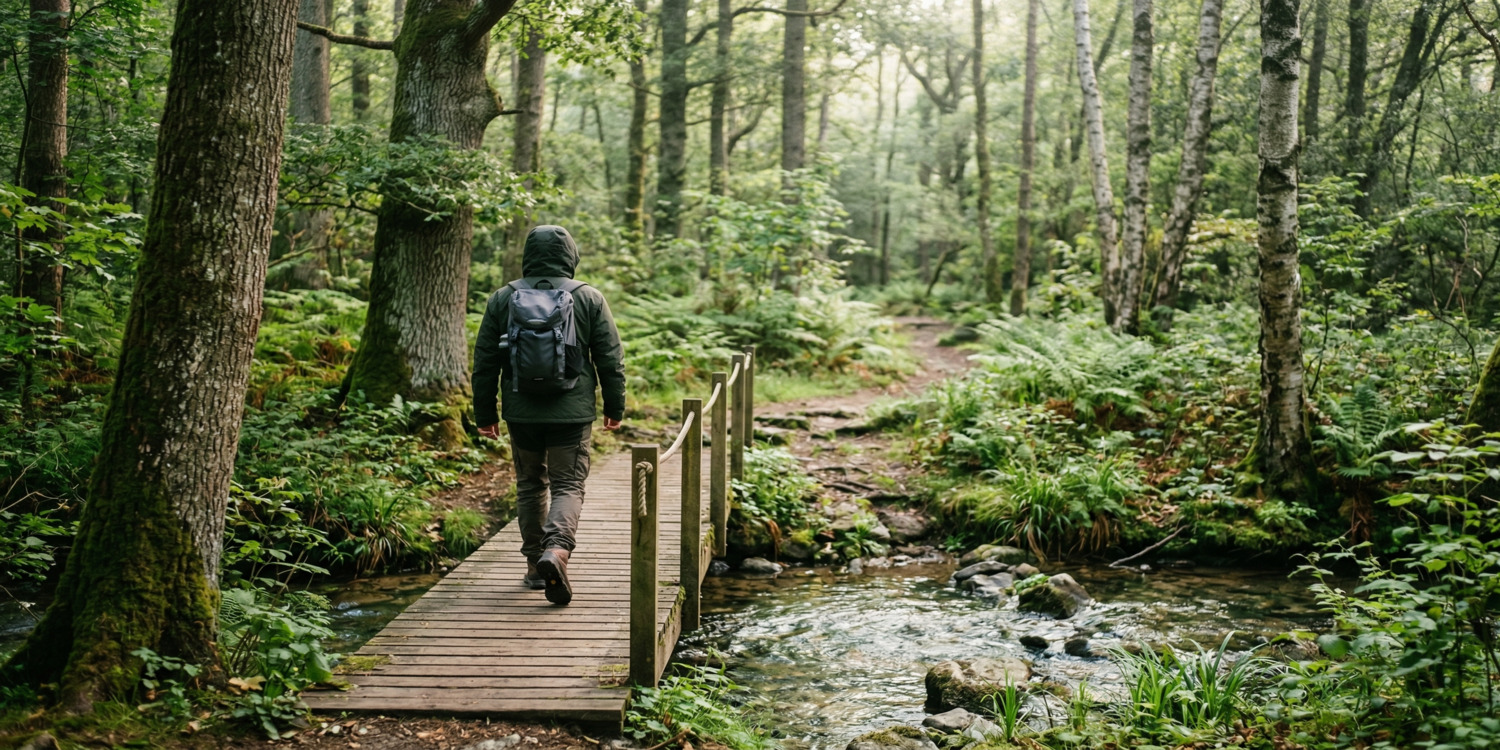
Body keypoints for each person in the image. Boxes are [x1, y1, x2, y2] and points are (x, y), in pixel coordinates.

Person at [472, 225, 626, 605]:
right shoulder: (589, 297)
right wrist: (615, 407)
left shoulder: (503, 297)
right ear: (570, 256)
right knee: (568, 485)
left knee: (530, 484)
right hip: (571, 412)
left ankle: (532, 566)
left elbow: (485, 362)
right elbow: (610, 358)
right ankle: (556, 551)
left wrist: (484, 413)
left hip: (521, 410)